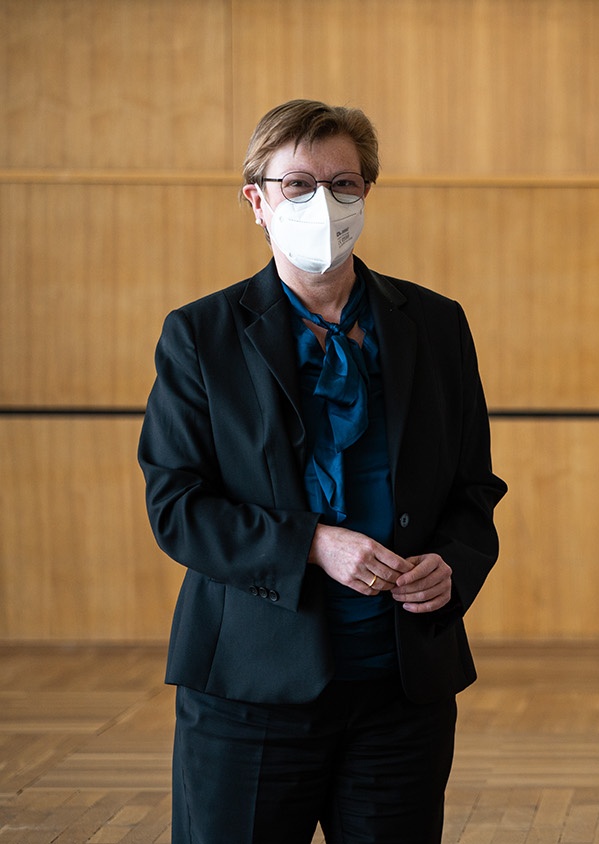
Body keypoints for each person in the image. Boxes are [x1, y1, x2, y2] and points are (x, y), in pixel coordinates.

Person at [138, 99, 507, 843]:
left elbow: (474, 491)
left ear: (367, 193)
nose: (324, 203)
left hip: (401, 688)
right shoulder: (200, 335)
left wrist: (452, 565)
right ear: (257, 201)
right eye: (299, 185)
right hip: (250, 688)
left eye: (344, 184)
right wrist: (314, 543)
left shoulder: (435, 325)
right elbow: (178, 505)